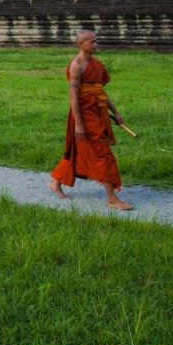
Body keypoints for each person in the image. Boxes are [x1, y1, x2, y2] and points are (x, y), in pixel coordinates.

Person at [48, 30, 133, 210]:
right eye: (92, 42)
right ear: (81, 44)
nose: (96, 44)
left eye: (96, 41)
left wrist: (115, 112)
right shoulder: (76, 66)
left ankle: (56, 182)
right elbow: (73, 97)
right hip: (83, 116)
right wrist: (78, 124)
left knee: (79, 151)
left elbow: (100, 91)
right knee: (104, 154)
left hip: (98, 112)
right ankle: (111, 198)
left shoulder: (97, 64)